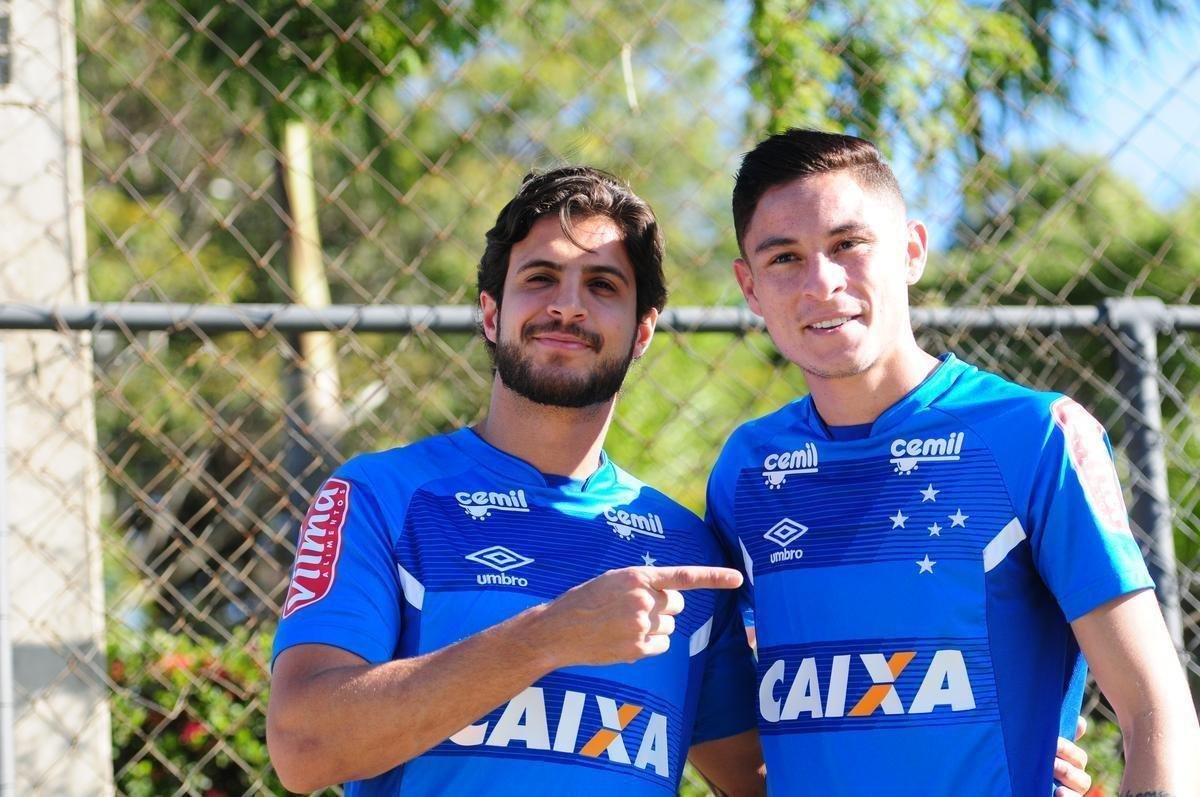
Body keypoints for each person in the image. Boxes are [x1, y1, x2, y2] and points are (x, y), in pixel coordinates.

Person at [706, 128, 1200, 796]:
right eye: (785, 257)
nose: (821, 282)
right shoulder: (745, 470)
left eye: (848, 245)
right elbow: (747, 743)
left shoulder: (1035, 435)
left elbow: (1155, 711)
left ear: (911, 251)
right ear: (750, 286)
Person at [266, 166, 765, 796]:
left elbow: (761, 780)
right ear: (490, 312)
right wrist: (550, 635)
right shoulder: (381, 496)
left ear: (642, 332)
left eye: (603, 285)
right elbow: (304, 749)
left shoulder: (687, 552)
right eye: (541, 278)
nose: (567, 304)